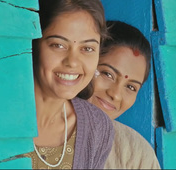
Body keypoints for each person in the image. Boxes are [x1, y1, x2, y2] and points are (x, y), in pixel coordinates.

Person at [18, 0, 114, 169]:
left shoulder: (97, 128)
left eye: (88, 48)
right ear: (34, 45)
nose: (72, 62)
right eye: (58, 45)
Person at [85, 21, 161, 169]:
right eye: (108, 74)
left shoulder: (136, 153)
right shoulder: (40, 132)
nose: (116, 95)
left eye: (131, 87)